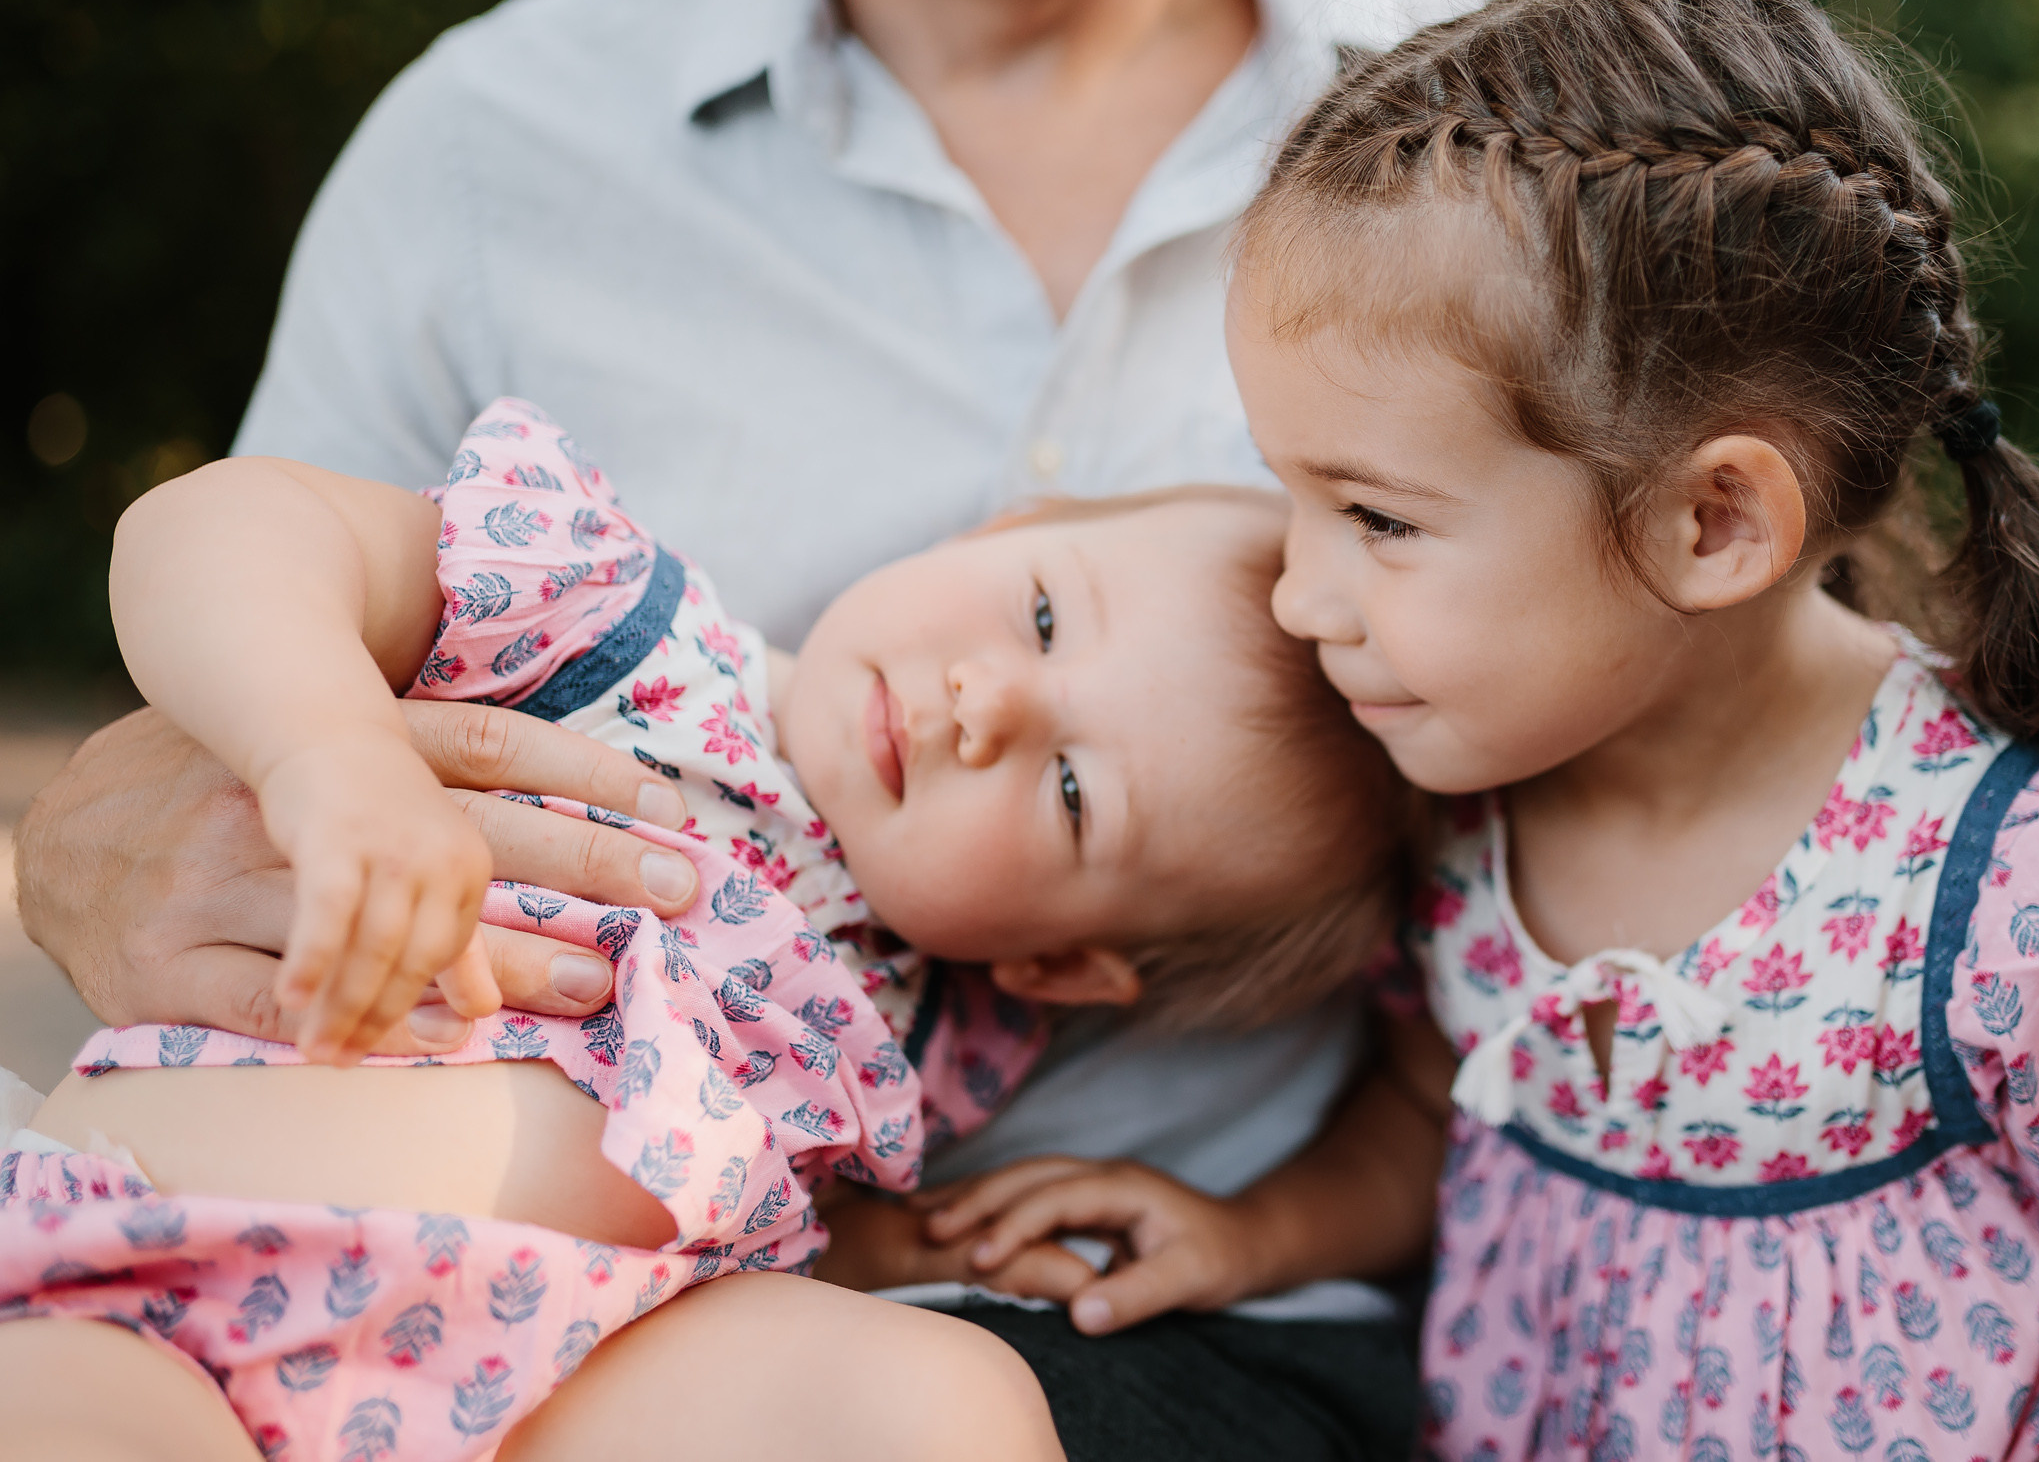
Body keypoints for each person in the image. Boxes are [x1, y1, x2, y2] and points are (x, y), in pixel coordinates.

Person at [12, 0, 2039, 1453]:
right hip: (378, 1201)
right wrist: (118, 831)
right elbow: (239, 595)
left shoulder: (1529, 134)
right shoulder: (492, 147)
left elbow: (1777, 693)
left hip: (1170, 1327)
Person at [1213, 0, 2039, 1459]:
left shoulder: (2021, 895)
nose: (1296, 596)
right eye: (1290, 497)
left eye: (1376, 520)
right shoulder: (1457, 810)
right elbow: (1436, 1112)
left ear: (1715, 523)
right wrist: (1244, 1239)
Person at [1, 398, 1404, 1461]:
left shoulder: (917, 1045)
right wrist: (327, 747)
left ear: (1059, 964)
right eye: (1042, 616)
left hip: (522, 1385)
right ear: (1003, 534)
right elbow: (215, 528)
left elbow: (761, 1236)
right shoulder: (606, 619)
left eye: (1075, 789)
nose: (992, 705)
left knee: (949, 1407)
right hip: (160, 1275)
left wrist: (897, 1261)